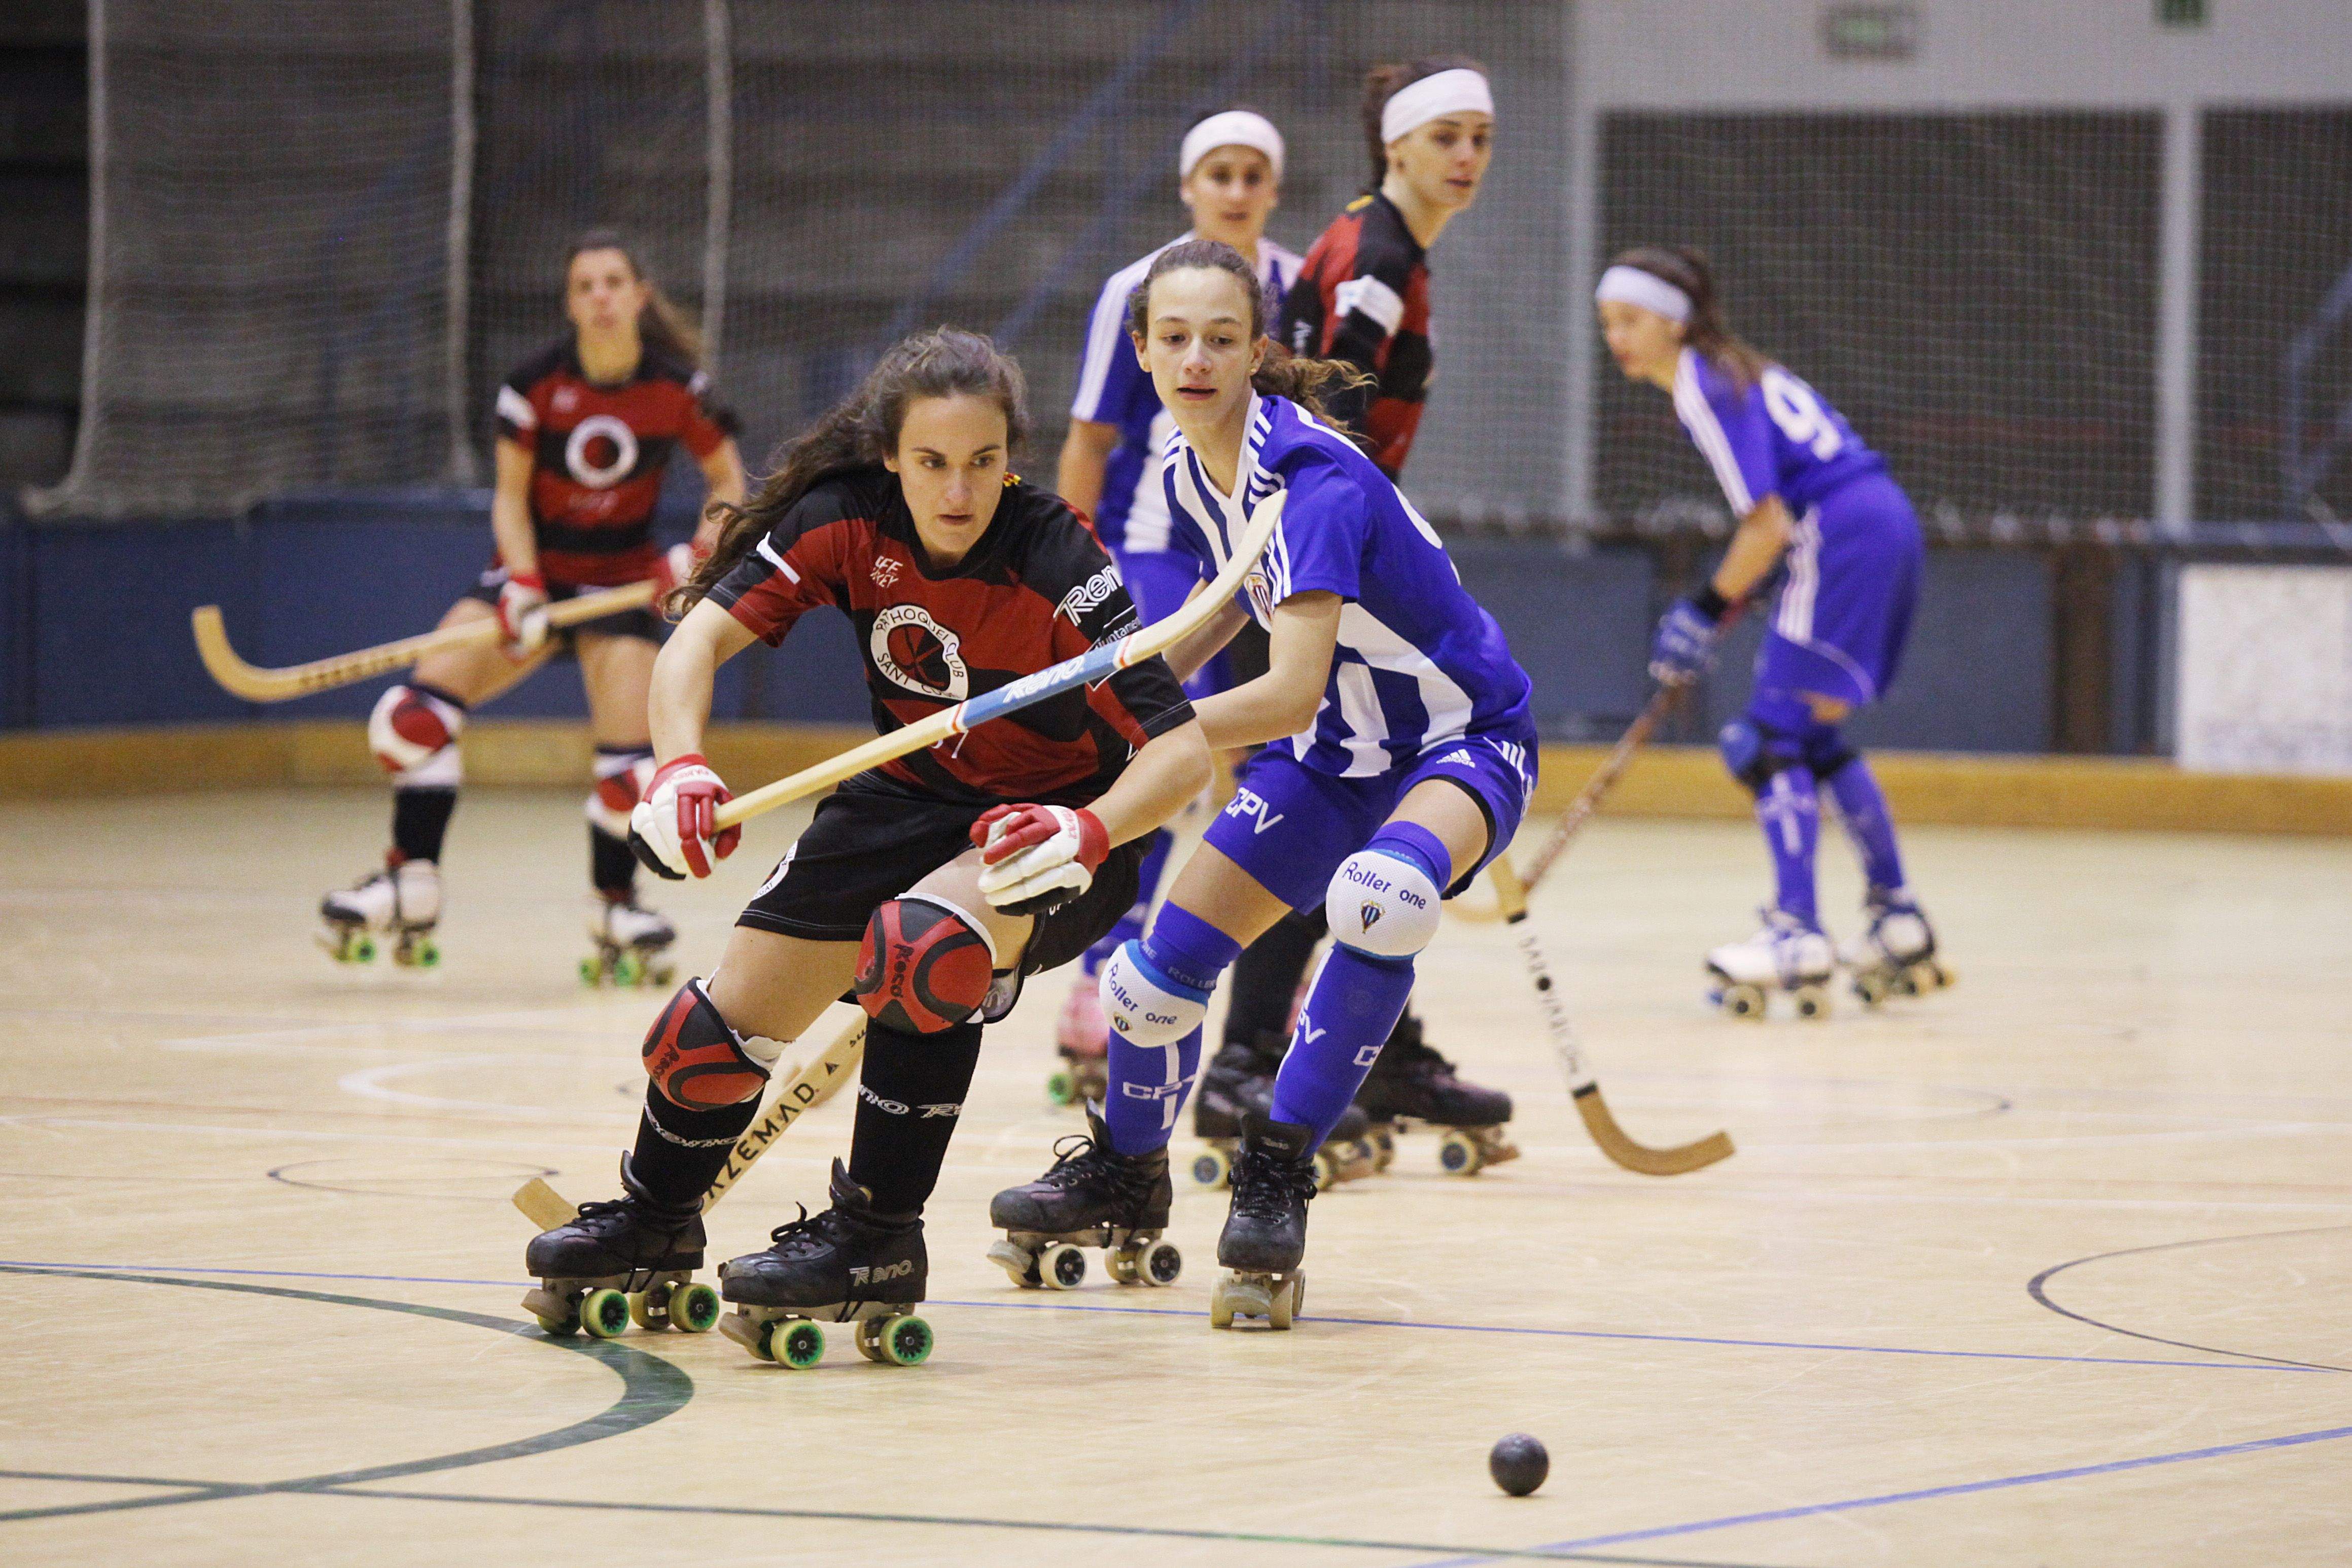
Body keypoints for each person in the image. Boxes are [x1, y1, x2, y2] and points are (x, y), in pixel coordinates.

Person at [520, 328, 1210, 1361]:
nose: (959, 490)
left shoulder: (1056, 553)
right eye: (932, 462)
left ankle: (877, 1239)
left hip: (1052, 831)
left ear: (1010, 460)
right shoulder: (843, 521)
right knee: (708, 1033)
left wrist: (1093, 825)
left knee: (924, 951)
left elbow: (1182, 752)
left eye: (982, 464)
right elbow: (696, 639)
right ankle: (654, 1222)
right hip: (907, 793)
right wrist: (678, 764)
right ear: (892, 456)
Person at [990, 242, 1536, 1329]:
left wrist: (1153, 734)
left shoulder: (1315, 482)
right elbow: (1236, 604)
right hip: (1336, 757)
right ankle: (1127, 1175)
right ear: (1141, 349)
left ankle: (1278, 1170)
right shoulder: (1190, 469)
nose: (1197, 358)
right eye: (1176, 337)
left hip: (1457, 744)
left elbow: (1286, 694)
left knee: (1380, 900)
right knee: (1149, 986)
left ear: (1257, 352)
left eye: (1223, 339)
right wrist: (1116, 706)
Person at [1205, 56, 1507, 1160]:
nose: (1467, 157)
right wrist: (1367, 551)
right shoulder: (1377, 257)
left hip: (1318, 541)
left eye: (1480, 137)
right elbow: (1332, 413)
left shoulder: (1379, 241)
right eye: (1447, 139)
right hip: (1319, 550)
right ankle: (1247, 1061)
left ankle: (1380, 1043)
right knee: (1329, 790)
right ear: (1398, 147)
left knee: (1364, 802)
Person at [319, 229, 743, 982]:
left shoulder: (679, 389)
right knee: (410, 724)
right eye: (585, 286)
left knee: (627, 777)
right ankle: (409, 881)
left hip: (620, 589)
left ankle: (615, 901)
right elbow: (510, 501)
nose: (601, 297)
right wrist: (519, 583)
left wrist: (696, 556)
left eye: (614, 282)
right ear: (570, 304)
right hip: (533, 584)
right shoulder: (533, 386)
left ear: (639, 297)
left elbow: (729, 485)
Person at [1596, 245, 1948, 1017]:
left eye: (1629, 320)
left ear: (1671, 323)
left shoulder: (1703, 383)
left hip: (1843, 534)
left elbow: (1765, 523)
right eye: (1607, 322)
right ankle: (1896, 918)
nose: (1614, 337)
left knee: (1764, 740)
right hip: (1880, 521)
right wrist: (1732, 596)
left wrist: (1700, 609)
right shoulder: (1734, 371)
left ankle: (1796, 932)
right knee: (1811, 739)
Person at [1045, 108, 1305, 1106]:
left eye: (1253, 174)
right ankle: (1104, 963)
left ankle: (1267, 973)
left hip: (1265, 540)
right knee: (1152, 749)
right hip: (1160, 542)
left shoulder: (1292, 282)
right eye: (1219, 173)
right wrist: (1079, 566)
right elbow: (1092, 437)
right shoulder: (1134, 288)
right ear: (1190, 187)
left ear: (1271, 189)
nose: (1236, 190)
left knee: (1284, 752)